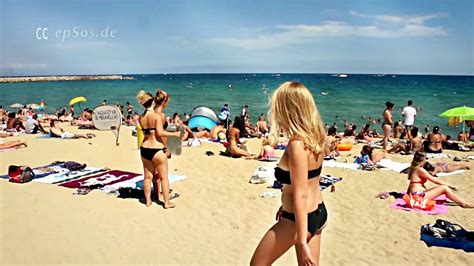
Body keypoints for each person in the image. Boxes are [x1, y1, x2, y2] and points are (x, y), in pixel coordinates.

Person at [251, 82, 327, 265]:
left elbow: (300, 195)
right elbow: (310, 180)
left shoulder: (296, 145)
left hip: (298, 219)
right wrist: (285, 205)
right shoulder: (318, 137)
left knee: (257, 264)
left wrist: (301, 241)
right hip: (318, 212)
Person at [137, 89, 180, 208]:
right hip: (156, 149)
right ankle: (166, 202)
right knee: (164, 177)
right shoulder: (156, 116)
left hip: (144, 148)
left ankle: (148, 201)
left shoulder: (141, 117)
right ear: (152, 102)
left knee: (147, 177)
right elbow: (160, 133)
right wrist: (174, 134)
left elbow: (148, 132)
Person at [406, 152, 474, 208]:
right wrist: (450, 185)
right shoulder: (420, 170)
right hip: (418, 197)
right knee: (444, 188)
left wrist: (407, 194)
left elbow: (411, 184)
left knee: (442, 188)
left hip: (416, 195)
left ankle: (460, 201)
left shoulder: (414, 168)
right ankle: (463, 204)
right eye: (425, 160)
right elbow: (434, 180)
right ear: (422, 161)